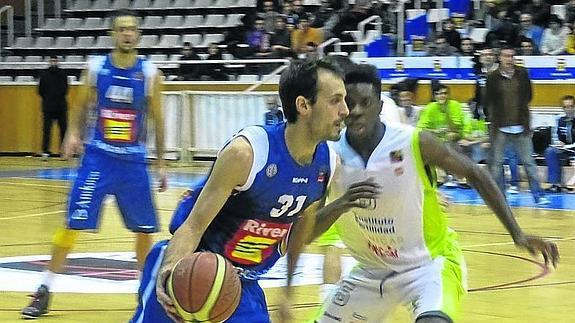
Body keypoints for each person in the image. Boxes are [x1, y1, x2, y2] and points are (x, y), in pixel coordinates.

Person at [130, 58, 376, 323]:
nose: (345, 110)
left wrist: (287, 293)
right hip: (191, 267)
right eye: (335, 100)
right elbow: (193, 226)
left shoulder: (328, 163)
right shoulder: (247, 153)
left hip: (241, 287)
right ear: (303, 105)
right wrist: (170, 270)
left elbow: (297, 235)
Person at [311, 62, 559, 323]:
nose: (357, 111)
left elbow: (476, 173)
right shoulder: (328, 152)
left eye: (366, 103)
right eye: (351, 103)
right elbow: (309, 233)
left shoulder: (413, 141)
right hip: (371, 273)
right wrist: (341, 204)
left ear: (381, 107)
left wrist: (517, 234)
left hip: (428, 267)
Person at [22, 9, 167, 319]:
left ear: (138, 35)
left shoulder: (151, 73)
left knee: (143, 231)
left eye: (131, 29)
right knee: (72, 223)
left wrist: (162, 162)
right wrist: (73, 134)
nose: (127, 34)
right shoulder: (97, 67)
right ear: (113, 34)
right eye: (121, 29)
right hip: (98, 159)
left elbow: (159, 119)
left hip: (133, 162)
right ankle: (44, 289)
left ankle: (145, 294)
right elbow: (80, 106)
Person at [485, 45, 549, 205]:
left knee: (529, 162)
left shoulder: (522, 73)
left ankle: (538, 196)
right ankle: (500, 198)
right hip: (500, 126)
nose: (509, 59)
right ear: (499, 58)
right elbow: (489, 101)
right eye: (506, 56)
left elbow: (529, 96)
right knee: (497, 163)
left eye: (512, 56)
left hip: (521, 125)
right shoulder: (492, 77)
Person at [38, 55, 68, 160]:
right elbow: (40, 90)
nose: (53, 62)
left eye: (55, 60)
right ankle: (45, 152)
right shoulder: (44, 74)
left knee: (63, 130)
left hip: (61, 106)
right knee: (46, 130)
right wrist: (48, 98)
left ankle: (64, 151)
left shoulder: (63, 74)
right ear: (49, 62)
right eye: (52, 60)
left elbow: (66, 89)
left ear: (58, 62)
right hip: (48, 107)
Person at [544, 95, 575, 193]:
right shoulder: (561, 120)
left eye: (571, 106)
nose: (568, 109)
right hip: (567, 149)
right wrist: (559, 143)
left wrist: (568, 146)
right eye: (565, 107)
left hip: (572, 148)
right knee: (550, 151)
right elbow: (558, 137)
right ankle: (555, 184)